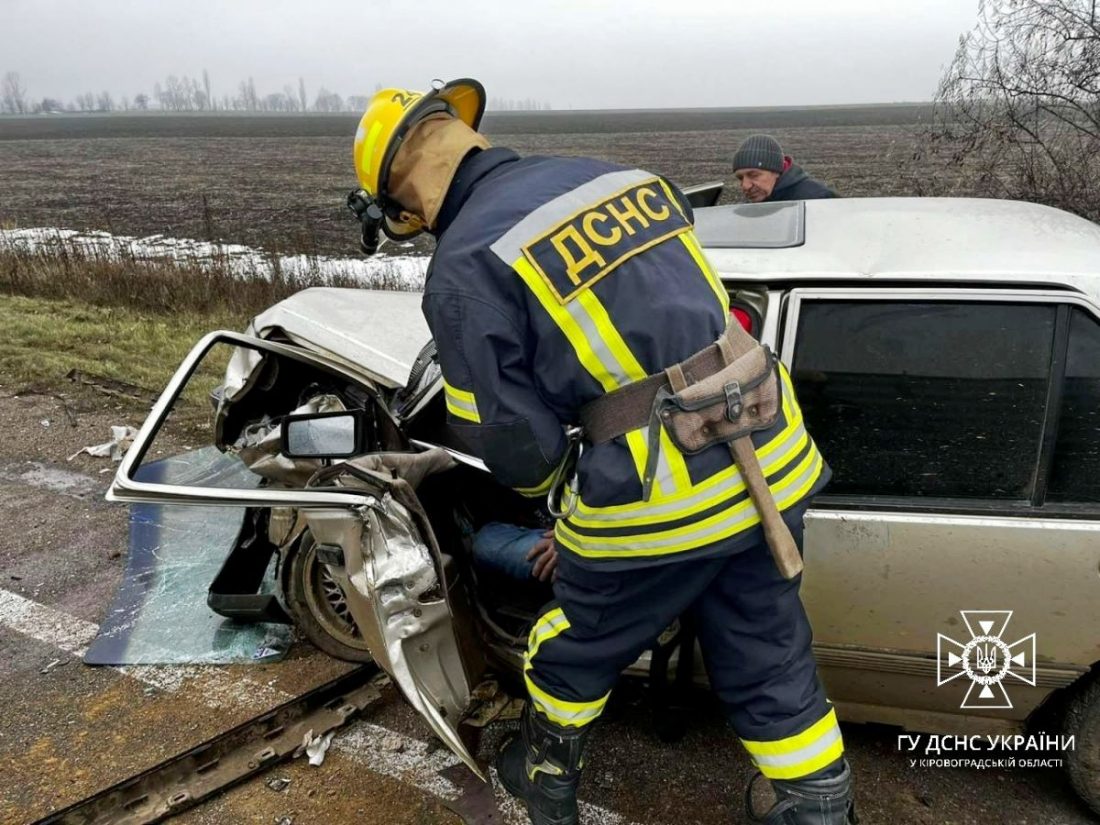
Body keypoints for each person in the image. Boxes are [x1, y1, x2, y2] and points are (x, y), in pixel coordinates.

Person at [350, 79, 856, 825]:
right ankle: (821, 803)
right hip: (773, 457)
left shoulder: (464, 264)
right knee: (766, 643)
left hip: (665, 496)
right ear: (468, 136)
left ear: (402, 203)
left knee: (571, 638)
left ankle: (544, 773)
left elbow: (516, 446)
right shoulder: (618, 177)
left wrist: (561, 491)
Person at [732, 134, 837, 203]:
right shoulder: (751, 204)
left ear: (777, 171)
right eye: (740, 178)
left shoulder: (817, 200)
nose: (746, 186)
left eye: (753, 175)